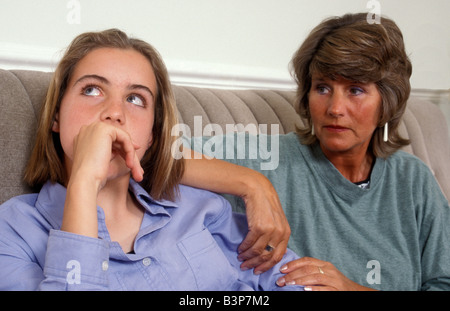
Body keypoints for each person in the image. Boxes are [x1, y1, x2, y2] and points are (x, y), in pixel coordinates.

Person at [0, 29, 302, 291]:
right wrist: (84, 182)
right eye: (92, 90)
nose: (114, 112)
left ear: (153, 134)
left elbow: (288, 278)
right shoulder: (13, 231)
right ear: (56, 115)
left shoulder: (201, 208)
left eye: (135, 99)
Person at [182, 13, 450, 290]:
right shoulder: (266, 158)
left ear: (388, 102)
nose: (334, 108)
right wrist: (254, 185)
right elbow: (156, 155)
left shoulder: (413, 180)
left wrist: (352, 288)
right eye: (322, 88)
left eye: (355, 90)